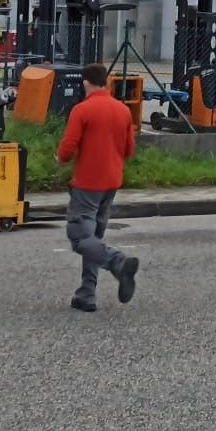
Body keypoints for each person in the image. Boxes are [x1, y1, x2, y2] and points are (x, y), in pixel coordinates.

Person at [55, 62, 139, 313]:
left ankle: (118, 263)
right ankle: (86, 293)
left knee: (80, 237)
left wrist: (59, 159)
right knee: (94, 239)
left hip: (87, 184)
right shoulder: (123, 111)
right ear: (107, 82)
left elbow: (68, 148)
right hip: (111, 183)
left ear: (85, 83)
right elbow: (129, 150)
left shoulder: (82, 110)